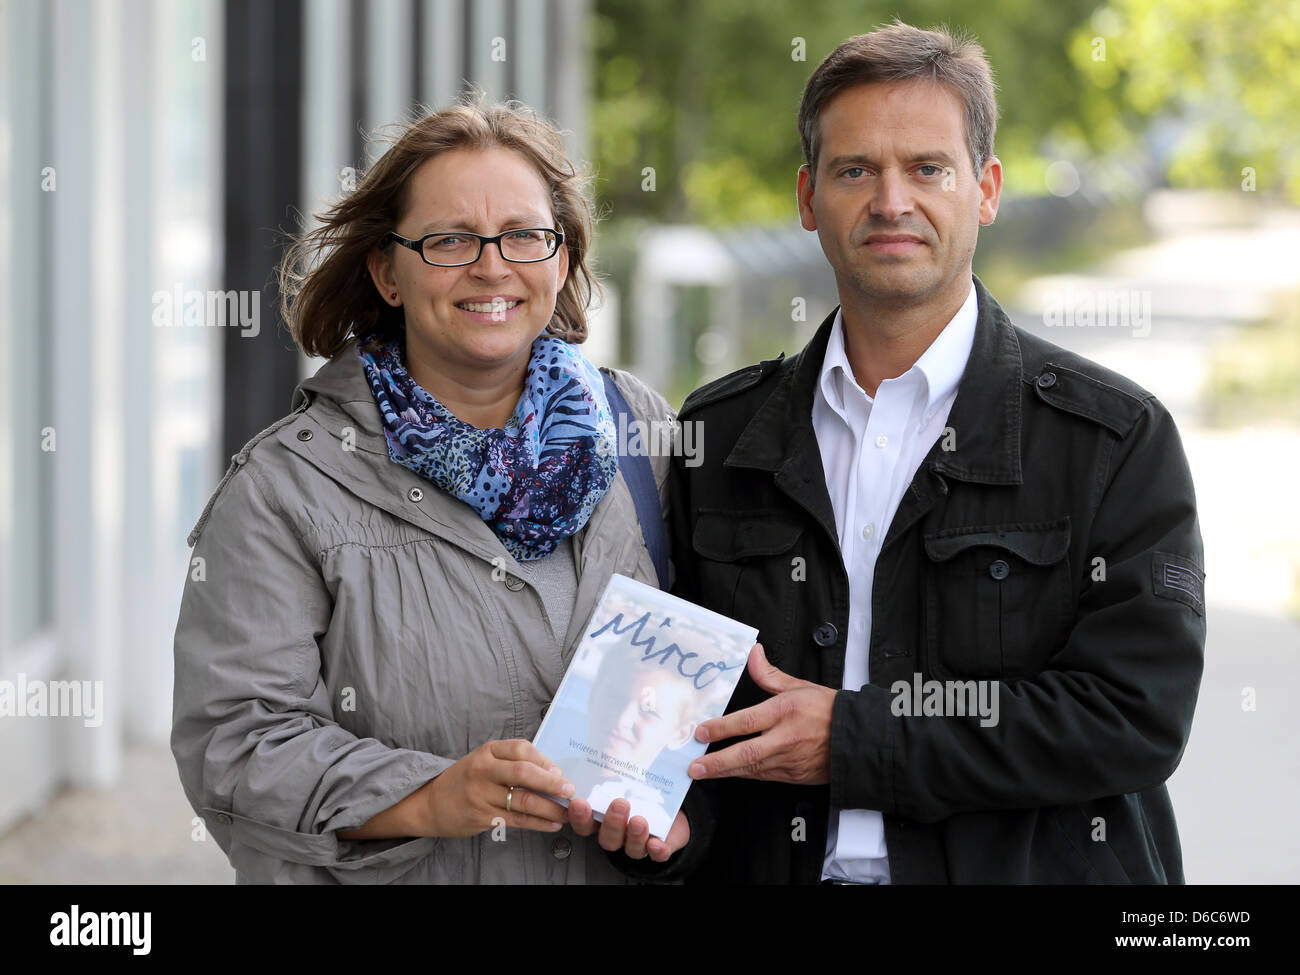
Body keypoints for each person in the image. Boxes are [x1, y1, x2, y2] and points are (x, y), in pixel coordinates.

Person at [672, 22, 1206, 883]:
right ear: (808, 199)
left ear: (985, 189)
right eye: (856, 170)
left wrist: (855, 739)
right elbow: (679, 706)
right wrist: (661, 828)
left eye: (927, 168)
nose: (891, 201)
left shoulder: (1113, 437)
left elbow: (1134, 714)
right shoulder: (721, 438)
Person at [170, 97, 698, 883]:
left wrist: (677, 814)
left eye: (524, 234)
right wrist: (427, 795)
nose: (492, 266)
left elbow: (708, 674)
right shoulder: (287, 489)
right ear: (387, 271)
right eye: (451, 239)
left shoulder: (646, 436)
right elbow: (235, 743)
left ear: (561, 258)